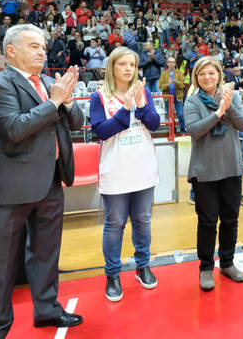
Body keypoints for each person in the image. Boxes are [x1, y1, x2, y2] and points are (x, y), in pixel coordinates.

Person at [0, 24, 84, 337]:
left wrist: (65, 101)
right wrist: (54, 102)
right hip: (10, 187)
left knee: (46, 253)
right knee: (1, 265)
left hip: (50, 180)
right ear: (11, 51)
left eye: (43, 46)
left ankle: (47, 310)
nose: (42, 51)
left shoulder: (51, 83)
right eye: (34, 46)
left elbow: (76, 123)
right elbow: (14, 129)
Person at [89, 46, 161, 302]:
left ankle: (143, 266)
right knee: (115, 223)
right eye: (123, 64)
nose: (129, 69)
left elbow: (154, 124)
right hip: (116, 170)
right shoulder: (99, 97)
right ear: (112, 67)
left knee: (142, 219)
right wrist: (126, 108)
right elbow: (102, 131)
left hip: (142, 166)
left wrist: (141, 104)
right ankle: (112, 274)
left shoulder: (145, 92)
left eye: (132, 64)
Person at [184, 56, 243, 291]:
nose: (207, 77)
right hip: (205, 171)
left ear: (219, 75)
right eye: (202, 74)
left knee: (230, 219)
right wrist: (218, 113)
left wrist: (228, 105)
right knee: (208, 222)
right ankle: (206, 267)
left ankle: (228, 263)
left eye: (211, 73)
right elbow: (194, 130)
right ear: (196, 78)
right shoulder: (192, 101)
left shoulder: (233, 96)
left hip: (231, 167)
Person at [159, 56, 186, 134]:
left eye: (173, 62)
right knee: (170, 116)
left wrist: (176, 82)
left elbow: (183, 85)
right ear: (167, 63)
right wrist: (168, 84)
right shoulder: (163, 74)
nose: (172, 64)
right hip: (168, 98)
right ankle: (173, 131)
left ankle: (183, 130)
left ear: (175, 64)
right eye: (170, 62)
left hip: (178, 97)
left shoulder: (179, 73)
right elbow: (160, 87)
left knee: (180, 114)